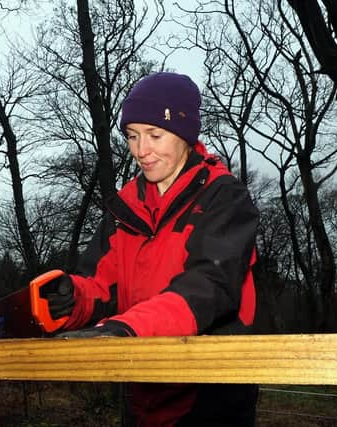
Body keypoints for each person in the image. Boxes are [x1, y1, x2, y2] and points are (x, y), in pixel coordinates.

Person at [38, 72, 259, 426]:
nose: (141, 150)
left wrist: (126, 330)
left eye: (155, 135)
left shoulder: (224, 198)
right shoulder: (126, 208)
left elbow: (208, 287)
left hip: (210, 397)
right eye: (132, 136)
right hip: (141, 392)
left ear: (186, 135)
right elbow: (102, 285)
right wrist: (71, 298)